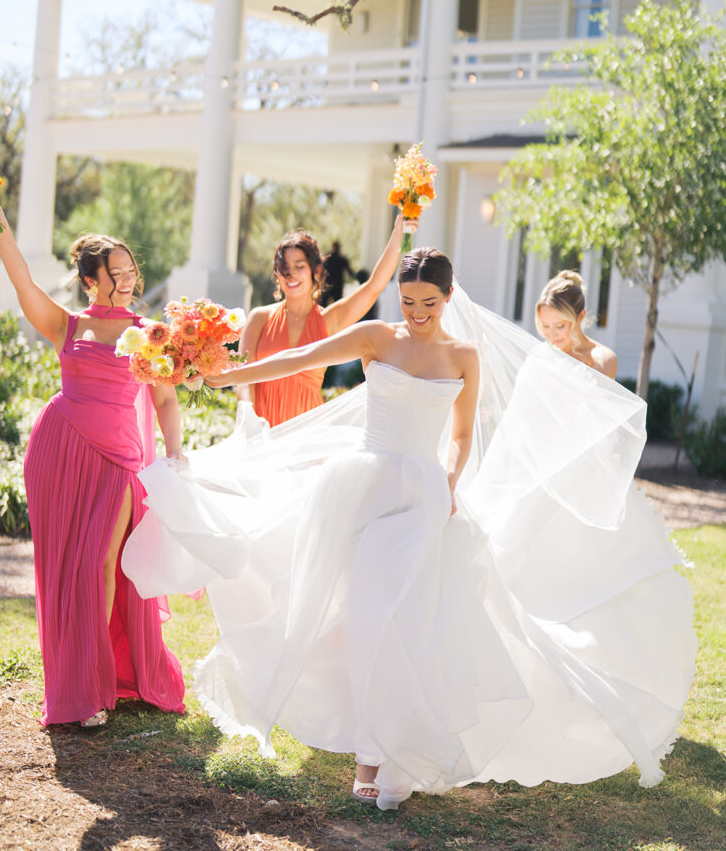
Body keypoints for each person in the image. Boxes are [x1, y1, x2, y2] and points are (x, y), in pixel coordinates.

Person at [123, 246, 695, 810]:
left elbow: (464, 434)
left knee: (398, 618)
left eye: (428, 301)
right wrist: (220, 375)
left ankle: (379, 754)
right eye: (408, 300)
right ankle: (373, 746)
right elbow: (298, 359)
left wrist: (448, 479)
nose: (417, 312)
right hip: (361, 488)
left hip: (422, 495)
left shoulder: (465, 356)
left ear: (448, 296)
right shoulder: (377, 338)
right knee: (360, 613)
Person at [0, 194, 185, 727]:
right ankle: (79, 683)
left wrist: (175, 455)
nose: (126, 279)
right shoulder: (69, 327)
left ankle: (96, 683)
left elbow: (165, 400)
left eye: (129, 270)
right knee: (70, 569)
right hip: (60, 453)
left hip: (119, 460)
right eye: (115, 273)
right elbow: (23, 285)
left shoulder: (150, 335)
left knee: (102, 562)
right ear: (90, 280)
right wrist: (0, 225)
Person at [237, 214, 414, 426]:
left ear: (316, 270)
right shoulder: (259, 318)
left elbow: (373, 286)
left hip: (308, 433)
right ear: (277, 275)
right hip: (260, 432)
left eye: (299, 266)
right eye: (284, 269)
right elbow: (242, 377)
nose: (290, 275)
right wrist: (249, 420)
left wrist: (397, 233)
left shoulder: (328, 320)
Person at [536, 270, 617, 378]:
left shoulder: (602, 358)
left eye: (560, 326)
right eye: (546, 325)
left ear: (581, 316)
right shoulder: (540, 357)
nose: (552, 334)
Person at [319, 239, 355, 306]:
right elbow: (351, 273)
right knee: (337, 306)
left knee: (324, 305)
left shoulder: (327, 258)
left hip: (329, 285)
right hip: (335, 286)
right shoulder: (341, 259)